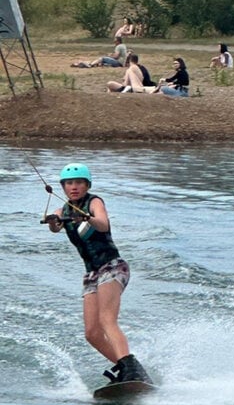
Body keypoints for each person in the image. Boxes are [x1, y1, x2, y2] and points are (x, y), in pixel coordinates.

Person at [43, 163, 152, 385]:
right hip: (91, 274)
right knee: (92, 333)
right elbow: (54, 227)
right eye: (69, 183)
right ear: (63, 187)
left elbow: (102, 224)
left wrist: (87, 219)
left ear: (87, 185)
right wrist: (53, 222)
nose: (74, 187)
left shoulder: (94, 202)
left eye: (79, 183)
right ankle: (130, 370)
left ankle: (130, 369)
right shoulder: (62, 210)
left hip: (112, 266)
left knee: (106, 320)